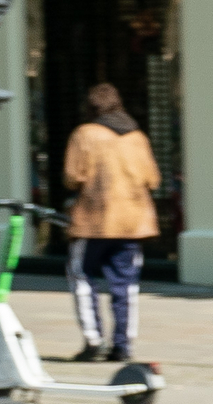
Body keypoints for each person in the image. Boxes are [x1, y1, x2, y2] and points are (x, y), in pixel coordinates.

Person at [60, 82, 160, 361]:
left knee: (81, 278)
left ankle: (93, 341)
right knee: (125, 285)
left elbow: (72, 176)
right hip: (132, 222)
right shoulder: (137, 136)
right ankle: (123, 345)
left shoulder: (84, 134)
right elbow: (153, 178)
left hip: (93, 220)